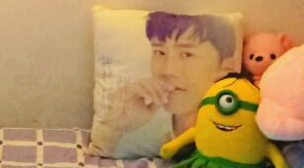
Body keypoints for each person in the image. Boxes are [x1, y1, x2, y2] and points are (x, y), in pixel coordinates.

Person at [92, 12, 239, 157]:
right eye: (159, 52)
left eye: (187, 54)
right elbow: (101, 151)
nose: (168, 71)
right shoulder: (148, 128)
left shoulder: (237, 130)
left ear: (226, 67)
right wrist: (116, 126)